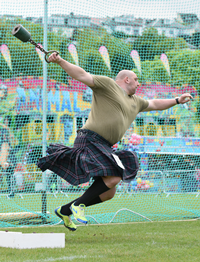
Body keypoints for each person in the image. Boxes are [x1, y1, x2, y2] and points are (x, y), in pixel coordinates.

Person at [37, 53, 193, 231]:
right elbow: (81, 75)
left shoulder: (136, 102)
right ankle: (78, 205)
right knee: (114, 176)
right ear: (126, 80)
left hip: (104, 145)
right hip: (89, 139)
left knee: (109, 192)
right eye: (136, 80)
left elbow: (155, 104)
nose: (138, 83)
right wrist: (59, 61)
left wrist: (177, 101)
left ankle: (65, 210)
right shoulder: (108, 85)